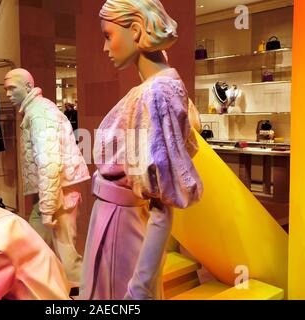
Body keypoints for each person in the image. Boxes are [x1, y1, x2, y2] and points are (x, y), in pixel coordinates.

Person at [80, 0, 203, 300]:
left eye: (109, 35)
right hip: (115, 220)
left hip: (122, 227)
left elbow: (162, 204)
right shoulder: (156, 88)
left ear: (135, 30)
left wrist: (141, 287)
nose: (105, 48)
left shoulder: (157, 92)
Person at [4, 69, 90, 285]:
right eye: (6, 89)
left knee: (67, 257)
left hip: (59, 194)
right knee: (36, 251)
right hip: (53, 194)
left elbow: (50, 162)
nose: (7, 94)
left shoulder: (39, 114)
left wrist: (48, 207)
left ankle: (85, 293)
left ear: (28, 87)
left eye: (12, 88)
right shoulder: (36, 111)